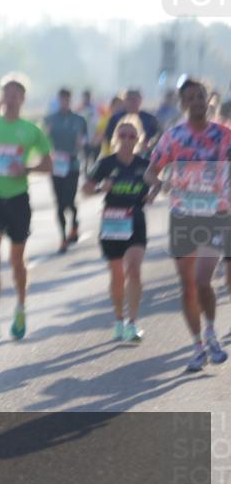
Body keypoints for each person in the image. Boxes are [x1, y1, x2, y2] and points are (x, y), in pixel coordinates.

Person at [146, 78, 231, 372]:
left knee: (203, 280)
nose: (196, 102)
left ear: (208, 100)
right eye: (191, 98)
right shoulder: (174, 137)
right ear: (183, 104)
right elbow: (151, 171)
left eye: (201, 96)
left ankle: (211, 333)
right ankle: (197, 346)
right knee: (187, 287)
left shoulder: (224, 136)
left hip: (216, 215)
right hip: (183, 216)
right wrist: (159, 184)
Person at [0, 73, 52, 341]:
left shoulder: (31, 130)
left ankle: (20, 306)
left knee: (17, 260)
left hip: (18, 197)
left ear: (23, 99)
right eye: (7, 93)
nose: (11, 98)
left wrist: (26, 168)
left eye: (16, 94)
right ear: (1, 96)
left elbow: (48, 164)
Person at [82, 119, 158, 342]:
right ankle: (118, 319)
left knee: (134, 269)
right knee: (117, 275)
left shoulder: (145, 164)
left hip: (136, 220)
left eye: (131, 136)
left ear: (138, 140)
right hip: (113, 220)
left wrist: (153, 194)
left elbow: (158, 182)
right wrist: (100, 188)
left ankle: (132, 324)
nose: (127, 140)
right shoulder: (105, 163)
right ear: (115, 138)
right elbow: (86, 189)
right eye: (122, 135)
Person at [44, 88, 88, 253]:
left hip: (72, 164)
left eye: (67, 99)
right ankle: (63, 238)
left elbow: (85, 139)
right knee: (59, 203)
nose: (64, 102)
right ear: (58, 100)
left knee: (69, 200)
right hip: (56, 165)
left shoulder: (79, 120)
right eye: (62, 99)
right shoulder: (50, 119)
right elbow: (43, 140)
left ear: (70, 100)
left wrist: (81, 143)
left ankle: (74, 223)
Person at [100, 88, 161, 154]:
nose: (132, 103)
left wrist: (149, 143)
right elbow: (109, 137)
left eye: (135, 100)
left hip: (143, 154)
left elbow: (157, 135)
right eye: (129, 100)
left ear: (140, 101)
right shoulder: (115, 118)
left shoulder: (149, 119)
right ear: (124, 101)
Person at [77, 89, 100, 175]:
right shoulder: (80, 108)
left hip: (94, 136)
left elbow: (97, 122)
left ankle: (92, 173)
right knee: (85, 157)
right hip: (85, 138)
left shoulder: (94, 108)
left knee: (94, 157)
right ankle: (85, 173)